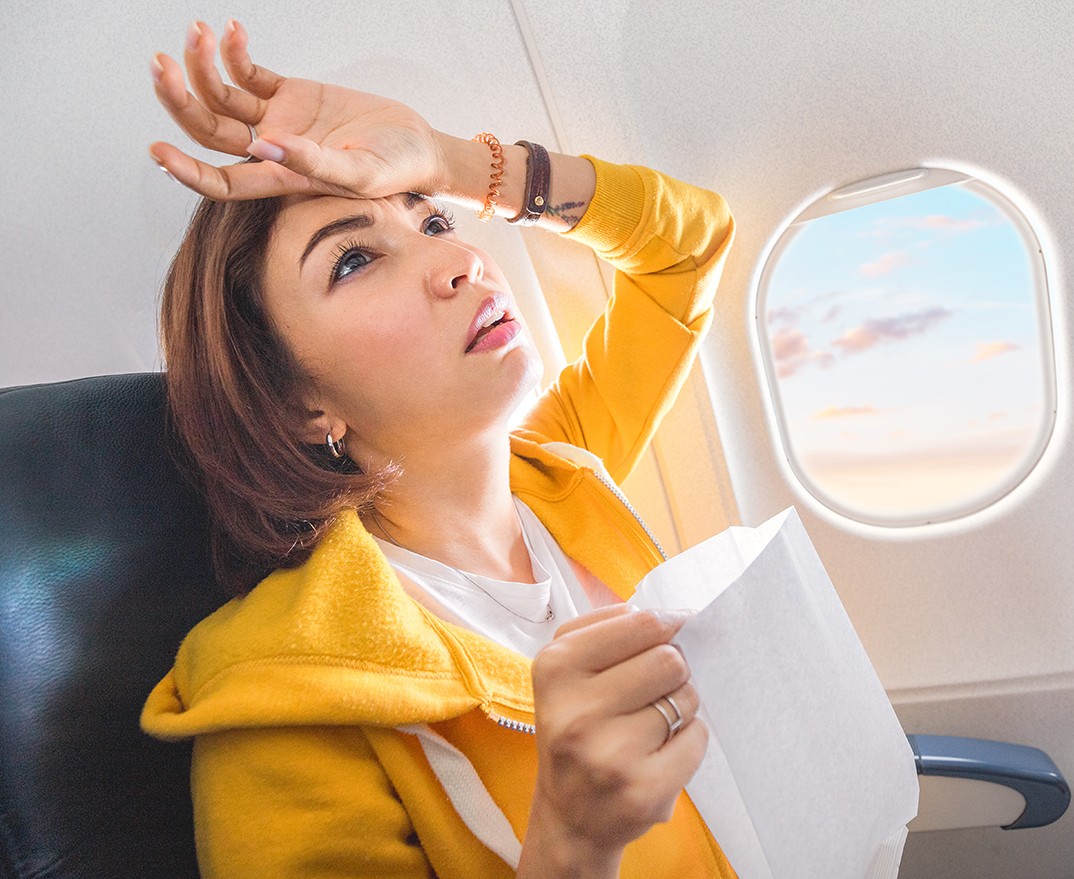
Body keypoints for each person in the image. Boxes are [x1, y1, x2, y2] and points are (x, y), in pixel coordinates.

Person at [140, 19, 736, 879]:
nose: (457, 260)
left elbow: (690, 246)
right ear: (299, 402)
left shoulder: (561, 473)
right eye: (352, 261)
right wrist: (570, 846)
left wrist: (453, 162)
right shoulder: (282, 693)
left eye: (429, 218)